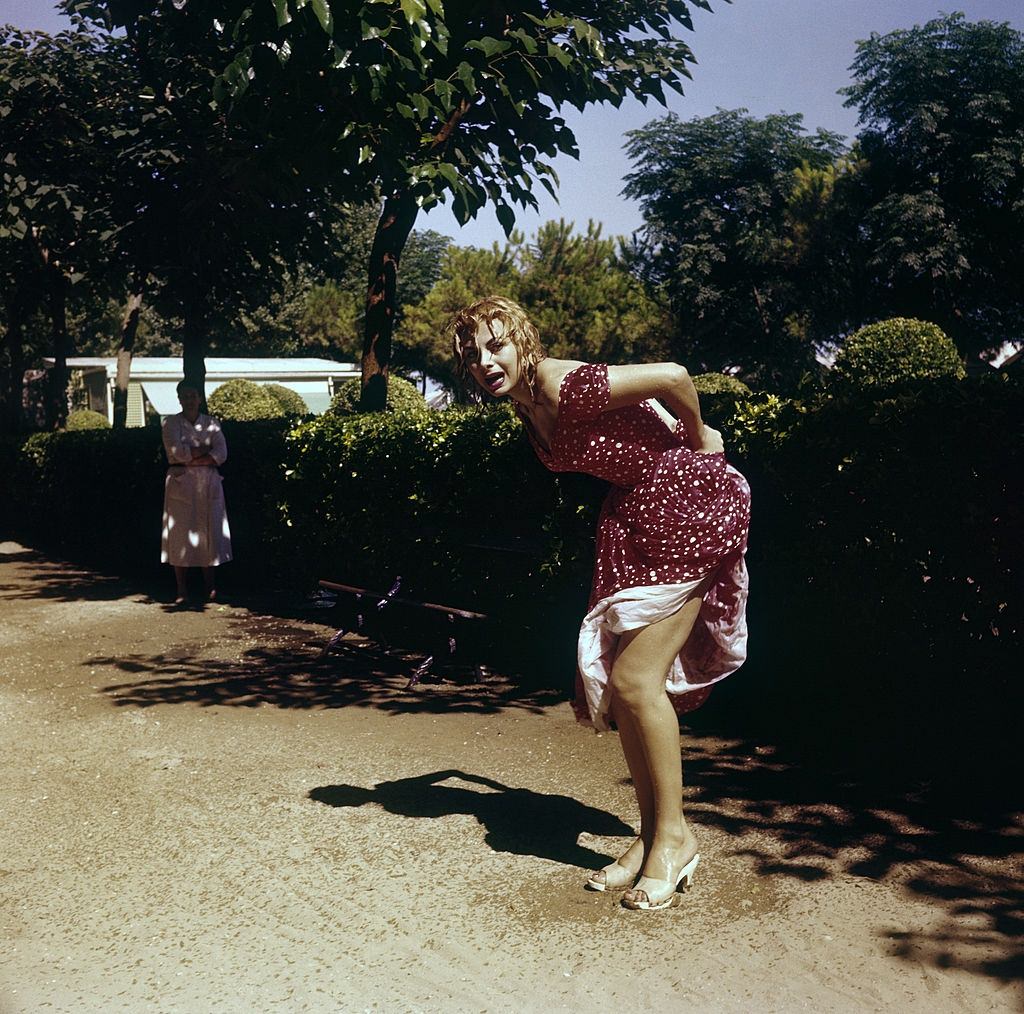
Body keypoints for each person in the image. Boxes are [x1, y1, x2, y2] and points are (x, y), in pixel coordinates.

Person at [448, 296, 751, 912]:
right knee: (623, 683)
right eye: (472, 353)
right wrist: (452, 784)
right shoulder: (526, 406)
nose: (485, 361)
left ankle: (675, 840)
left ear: (523, 338)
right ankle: (652, 835)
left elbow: (673, 375)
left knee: (639, 682)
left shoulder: (563, 385)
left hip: (686, 501)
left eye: (496, 344)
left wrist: (699, 442)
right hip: (635, 518)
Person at [160, 379, 232, 603]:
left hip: (208, 484)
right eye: (185, 396)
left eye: (193, 396)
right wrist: (203, 451)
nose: (190, 400)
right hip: (181, 484)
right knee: (180, 535)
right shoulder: (170, 424)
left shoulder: (212, 423)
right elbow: (176, 453)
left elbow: (221, 453)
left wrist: (192, 455)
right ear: (179, 399)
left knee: (209, 533)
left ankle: (210, 587)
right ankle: (182, 590)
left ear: (199, 398)